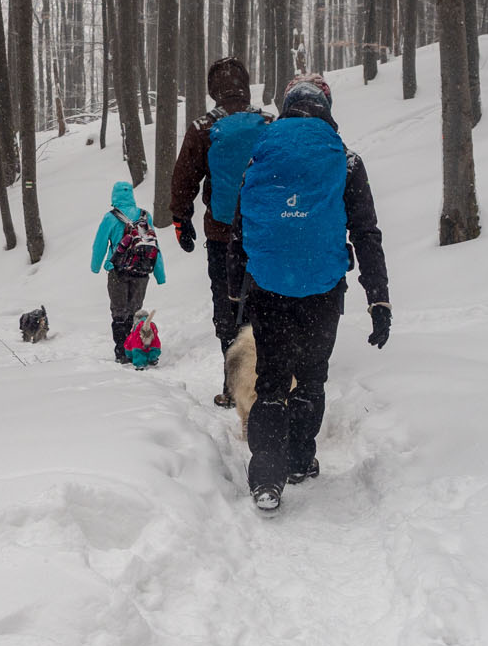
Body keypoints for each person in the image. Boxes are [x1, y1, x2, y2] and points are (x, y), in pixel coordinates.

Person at [235, 73, 391, 513]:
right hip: (324, 289)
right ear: (327, 107)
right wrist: (378, 298)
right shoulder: (346, 159)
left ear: (286, 106)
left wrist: (235, 295)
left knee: (270, 380)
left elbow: (240, 226)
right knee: (311, 376)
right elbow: (365, 232)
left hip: (268, 287)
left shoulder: (261, 155)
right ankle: (300, 460)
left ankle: (267, 476)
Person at [170, 57, 271, 406]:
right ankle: (267, 384)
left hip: (222, 235)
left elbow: (184, 180)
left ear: (213, 90)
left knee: (227, 309)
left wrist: (181, 221)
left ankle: (232, 388)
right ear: (246, 84)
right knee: (263, 306)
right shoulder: (268, 123)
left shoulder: (204, 128)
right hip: (263, 234)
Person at [89, 180, 167, 362]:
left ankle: (122, 351)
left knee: (119, 312)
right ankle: (136, 348)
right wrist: (159, 274)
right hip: (142, 272)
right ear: (131, 195)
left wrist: (95, 266)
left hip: (118, 271)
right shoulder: (144, 216)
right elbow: (154, 245)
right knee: (135, 312)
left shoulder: (110, 217)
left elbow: (99, 244)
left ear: (114, 196)